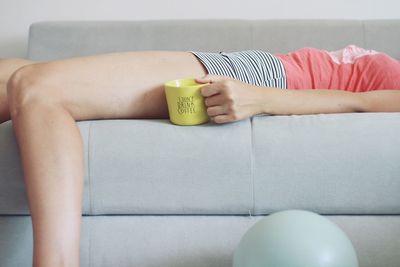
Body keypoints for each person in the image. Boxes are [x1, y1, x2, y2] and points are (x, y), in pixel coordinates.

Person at [0, 45, 399, 267]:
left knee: (36, 86)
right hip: (272, 69)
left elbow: (358, 104)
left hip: (270, 81)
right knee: (11, 76)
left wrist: (258, 97)